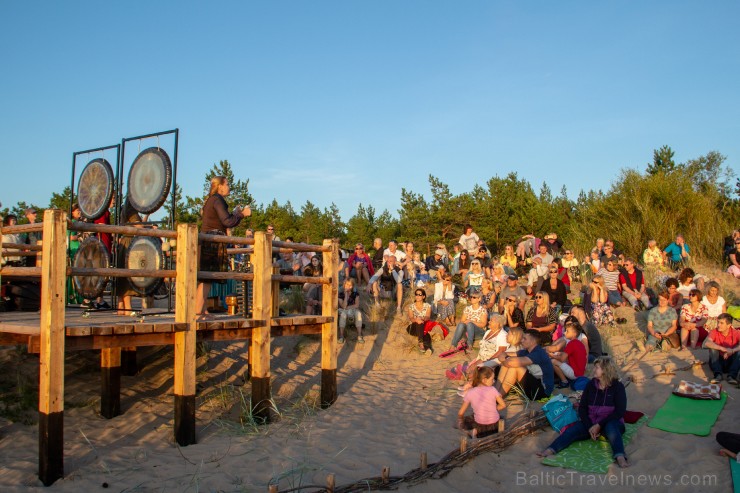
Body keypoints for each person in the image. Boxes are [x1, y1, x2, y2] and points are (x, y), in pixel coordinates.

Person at [537, 357, 629, 468]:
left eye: (597, 367)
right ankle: (551, 449)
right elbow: (582, 408)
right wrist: (590, 426)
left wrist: (599, 425)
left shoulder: (617, 387)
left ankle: (620, 456)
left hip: (610, 422)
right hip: (591, 422)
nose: (594, 370)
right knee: (572, 430)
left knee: (612, 428)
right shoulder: (591, 385)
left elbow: (620, 411)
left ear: (605, 370)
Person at [197, 175, 250, 317]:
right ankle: (197, 311)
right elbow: (227, 222)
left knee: (206, 278)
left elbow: (227, 219)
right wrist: (243, 215)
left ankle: (201, 310)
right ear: (219, 186)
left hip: (210, 239)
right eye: (227, 184)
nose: (229, 187)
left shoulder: (213, 200)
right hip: (212, 241)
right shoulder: (217, 199)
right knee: (206, 277)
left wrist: (236, 214)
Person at [495, 329, 554, 400]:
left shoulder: (539, 353)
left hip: (542, 391)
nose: (521, 341)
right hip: (532, 384)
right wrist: (506, 360)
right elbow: (502, 355)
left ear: (533, 341)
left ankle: (498, 398)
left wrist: (506, 360)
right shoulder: (525, 351)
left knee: (515, 368)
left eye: (524, 339)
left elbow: (511, 362)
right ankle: (495, 392)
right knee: (505, 365)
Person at [456, 366, 506, 438]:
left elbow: (461, 413)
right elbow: (503, 405)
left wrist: (460, 421)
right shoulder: (493, 389)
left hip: (480, 425)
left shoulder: (470, 392)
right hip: (494, 425)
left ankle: (473, 431)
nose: (493, 381)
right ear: (484, 380)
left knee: (469, 419)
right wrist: (492, 409)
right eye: (492, 379)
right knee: (499, 418)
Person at [704, 313, 740, 385]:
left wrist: (732, 350)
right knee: (713, 349)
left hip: (731, 362)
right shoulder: (714, 331)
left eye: (721, 323)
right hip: (717, 361)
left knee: (739, 352)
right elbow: (707, 343)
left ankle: (732, 376)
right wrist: (723, 349)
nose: (718, 325)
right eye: (718, 322)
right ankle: (717, 375)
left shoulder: (736, 332)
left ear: (729, 325)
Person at [549, 321, 587, 388]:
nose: (564, 333)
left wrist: (551, 355)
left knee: (552, 361)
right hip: (581, 372)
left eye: (567, 331)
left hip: (575, 374)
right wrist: (558, 354)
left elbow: (562, 359)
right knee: (557, 358)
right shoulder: (579, 343)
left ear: (574, 334)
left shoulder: (571, 343)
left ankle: (564, 381)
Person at [406, 288, 433, 354]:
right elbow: (411, 318)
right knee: (419, 324)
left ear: (423, 296)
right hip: (412, 327)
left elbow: (427, 317)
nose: (417, 296)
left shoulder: (428, 306)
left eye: (419, 294)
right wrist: (417, 320)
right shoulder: (411, 306)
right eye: (416, 294)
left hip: (423, 326)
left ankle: (428, 348)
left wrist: (421, 319)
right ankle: (421, 343)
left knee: (425, 333)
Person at [338, 278, 362, 344]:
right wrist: (346, 295)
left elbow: (357, 305)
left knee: (358, 314)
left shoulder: (355, 294)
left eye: (350, 285)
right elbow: (343, 306)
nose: (348, 286)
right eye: (347, 284)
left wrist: (349, 307)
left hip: (352, 309)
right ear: (344, 285)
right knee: (343, 315)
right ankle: (341, 336)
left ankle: (359, 335)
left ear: (352, 286)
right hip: (343, 310)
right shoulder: (340, 294)